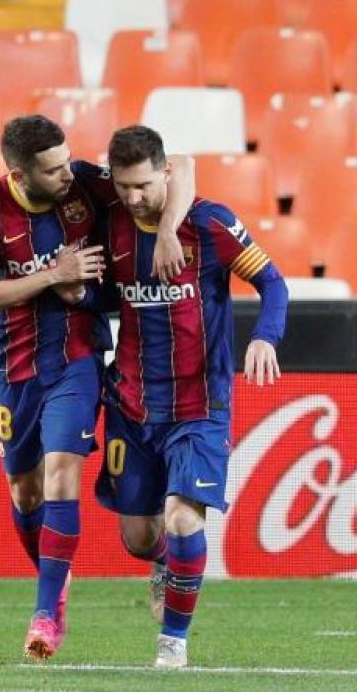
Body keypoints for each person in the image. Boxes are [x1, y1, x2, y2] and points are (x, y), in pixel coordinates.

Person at [0, 114, 194, 661]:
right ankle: (54, 578)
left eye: (67, 161)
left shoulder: (85, 181)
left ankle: (46, 614)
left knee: (62, 470)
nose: (69, 174)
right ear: (20, 173)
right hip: (13, 364)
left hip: (78, 357)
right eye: (53, 169)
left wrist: (164, 232)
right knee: (25, 491)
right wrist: (52, 275)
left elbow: (181, 168)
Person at [89, 125, 286, 669]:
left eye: (144, 186)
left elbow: (273, 282)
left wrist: (265, 338)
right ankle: (164, 565)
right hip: (131, 406)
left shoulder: (210, 224)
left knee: (182, 518)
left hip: (200, 405)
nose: (133, 198)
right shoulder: (112, 218)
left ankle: (172, 642)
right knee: (138, 536)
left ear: (166, 175)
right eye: (124, 187)